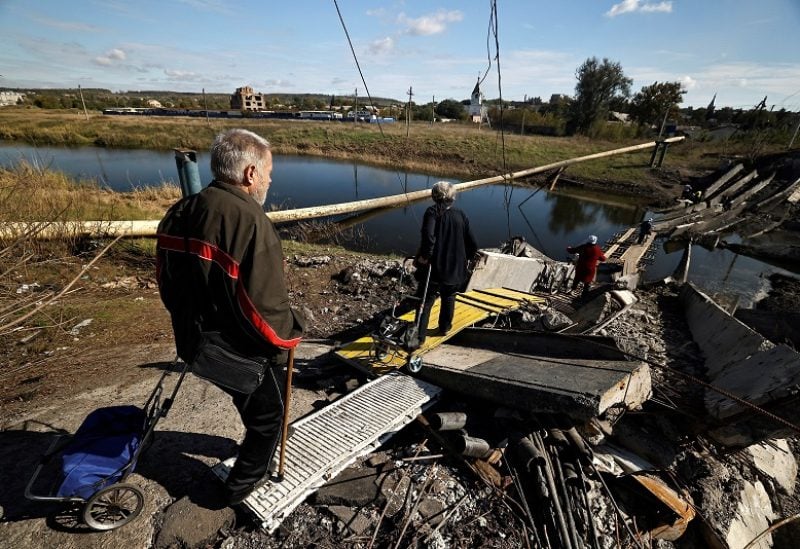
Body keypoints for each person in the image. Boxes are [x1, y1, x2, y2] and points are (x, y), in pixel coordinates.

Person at [156, 128, 304, 506]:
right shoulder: (252, 222)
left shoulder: (180, 211)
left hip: (193, 339)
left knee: (253, 403)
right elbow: (264, 310)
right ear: (250, 174)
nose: (271, 178)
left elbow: (167, 283)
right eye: (269, 170)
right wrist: (289, 336)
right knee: (269, 416)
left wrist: (190, 321)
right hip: (235, 349)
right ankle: (235, 492)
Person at [413, 181, 478, 344]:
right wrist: (468, 258)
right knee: (449, 296)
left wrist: (425, 257)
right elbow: (472, 243)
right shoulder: (461, 214)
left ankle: (419, 337)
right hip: (456, 268)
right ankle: (444, 328)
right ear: (452, 197)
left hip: (435, 268)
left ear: (434, 196)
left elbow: (428, 238)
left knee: (426, 299)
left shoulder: (432, 212)